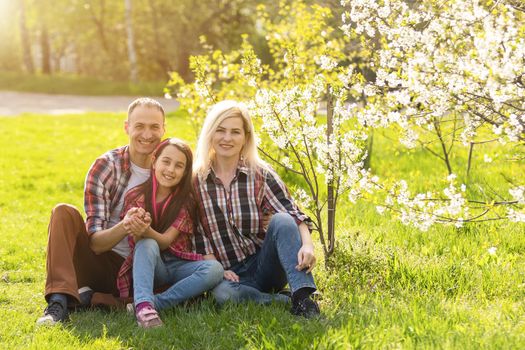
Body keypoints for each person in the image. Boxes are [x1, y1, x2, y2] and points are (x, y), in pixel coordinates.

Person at [37, 97, 166, 325]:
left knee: (190, 285)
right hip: (102, 262)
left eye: (154, 127)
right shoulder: (106, 166)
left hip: (144, 270)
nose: (147, 134)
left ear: (164, 129)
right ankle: (58, 302)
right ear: (127, 127)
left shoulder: (171, 168)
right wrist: (125, 225)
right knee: (63, 212)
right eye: (139, 126)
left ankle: (93, 298)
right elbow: (95, 243)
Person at [193, 100, 320, 318]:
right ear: (210, 134)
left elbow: (292, 213)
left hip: (264, 264)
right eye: (220, 130)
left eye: (235, 132)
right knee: (223, 295)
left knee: (282, 220)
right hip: (228, 274)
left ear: (245, 137)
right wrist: (217, 270)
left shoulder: (259, 173)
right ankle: (281, 299)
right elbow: (198, 236)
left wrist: (308, 245)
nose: (227, 138)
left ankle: (302, 297)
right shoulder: (195, 181)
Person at [117, 138, 223, 328]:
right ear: (154, 160)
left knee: (215, 269)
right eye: (166, 161)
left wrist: (147, 229)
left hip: (178, 265)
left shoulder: (186, 201)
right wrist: (139, 225)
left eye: (178, 166)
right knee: (146, 244)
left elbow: (166, 241)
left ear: (184, 173)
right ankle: (145, 309)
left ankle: (148, 304)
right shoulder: (135, 196)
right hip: (151, 265)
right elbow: (137, 240)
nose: (170, 170)